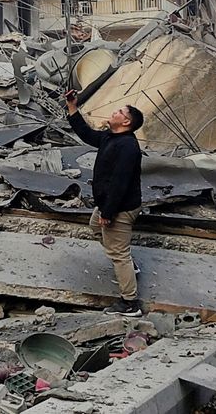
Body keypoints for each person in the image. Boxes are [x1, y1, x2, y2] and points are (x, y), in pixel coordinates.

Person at [65, 91, 145, 317]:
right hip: (108, 203)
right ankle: (129, 265)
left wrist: (108, 212)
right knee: (95, 227)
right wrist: (72, 107)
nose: (115, 111)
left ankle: (130, 303)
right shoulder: (111, 137)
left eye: (120, 111)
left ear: (126, 122)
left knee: (118, 253)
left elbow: (121, 182)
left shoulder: (128, 147)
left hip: (120, 207)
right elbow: (87, 134)